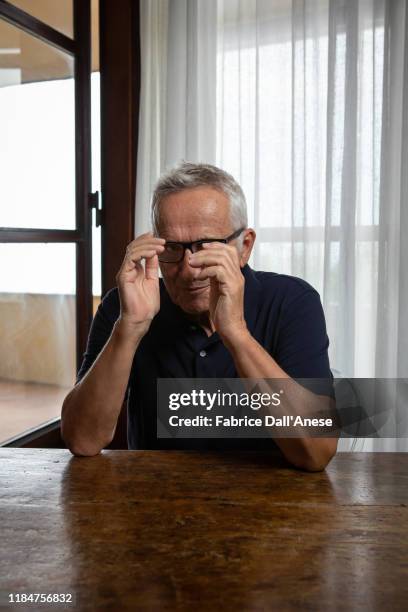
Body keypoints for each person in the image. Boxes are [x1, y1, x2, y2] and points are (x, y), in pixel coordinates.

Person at [61, 162, 338, 470]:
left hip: (272, 502)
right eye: (172, 248)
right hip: (154, 501)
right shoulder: (125, 305)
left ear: (244, 246)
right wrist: (130, 327)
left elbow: (316, 452)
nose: (188, 269)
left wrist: (236, 332)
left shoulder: (293, 302)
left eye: (207, 247)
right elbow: (82, 440)